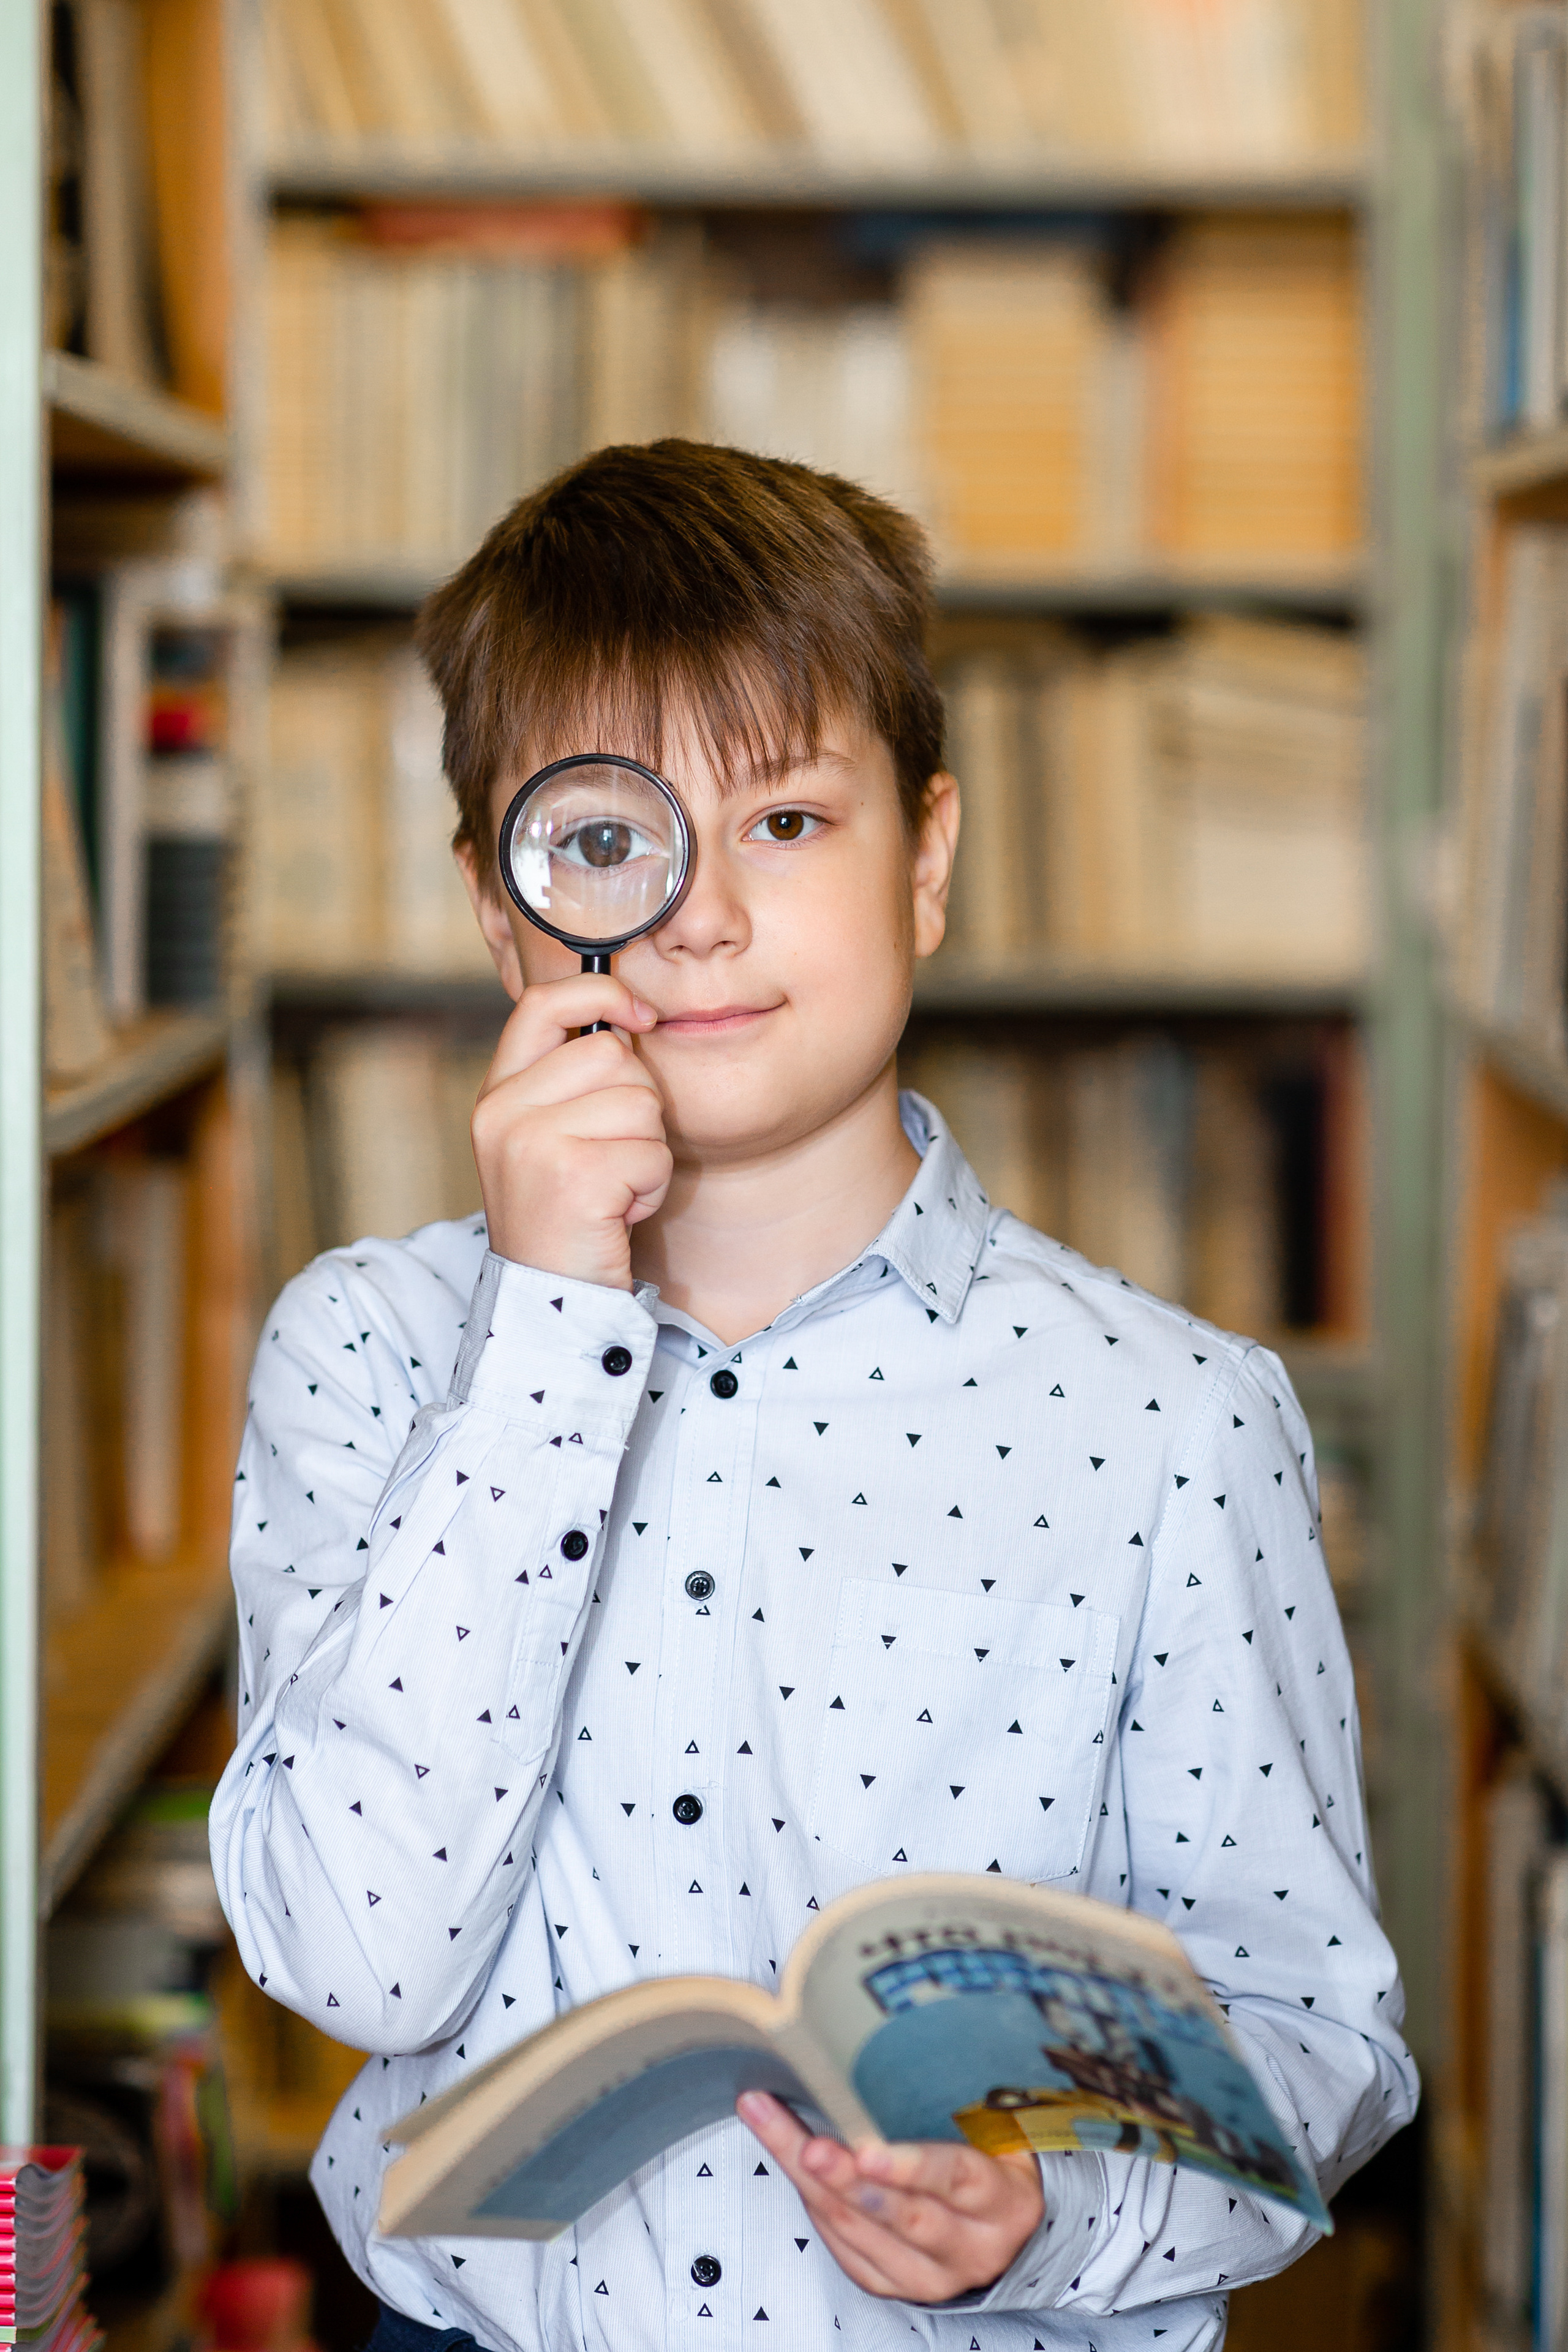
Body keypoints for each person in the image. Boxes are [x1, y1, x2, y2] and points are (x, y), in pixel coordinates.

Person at [208, 441, 1417, 2352]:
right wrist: (548, 1324)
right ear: (499, 911)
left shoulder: (1175, 1422)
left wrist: (1054, 2210)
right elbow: (359, 1956)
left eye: (783, 819)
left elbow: (1318, 2040)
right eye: (605, 840)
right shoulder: (371, 1352)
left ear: (925, 861)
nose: (699, 916)